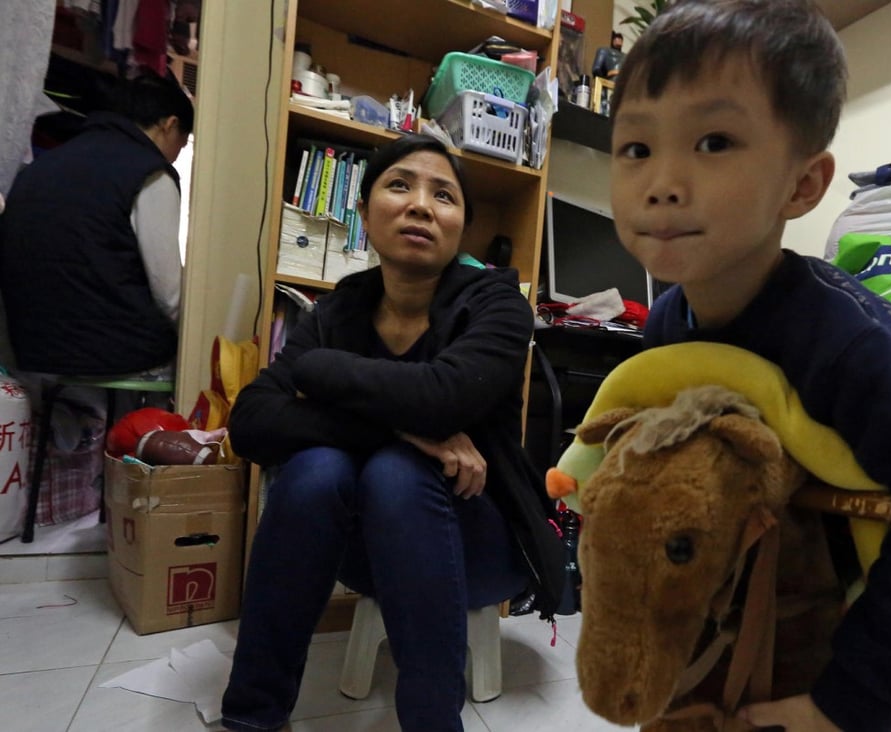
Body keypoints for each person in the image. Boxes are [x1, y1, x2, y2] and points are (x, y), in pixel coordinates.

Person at [607, 1, 891, 730]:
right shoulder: (670, 327)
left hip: (858, 670)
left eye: (714, 141)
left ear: (803, 185)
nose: (663, 182)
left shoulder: (856, 346)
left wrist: (846, 705)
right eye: (636, 148)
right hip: (744, 636)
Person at [221, 135, 565, 732]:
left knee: (395, 473)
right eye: (400, 185)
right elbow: (249, 422)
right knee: (317, 470)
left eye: (444, 195)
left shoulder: (497, 304)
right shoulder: (337, 312)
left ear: (462, 227)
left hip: (484, 546)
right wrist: (402, 431)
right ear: (363, 211)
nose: (421, 206)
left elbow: (443, 398)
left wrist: (319, 371)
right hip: (361, 549)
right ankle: (254, 716)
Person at [0, 71, 191, 378]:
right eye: (180, 146)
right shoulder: (150, 173)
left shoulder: (42, 166)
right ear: (169, 125)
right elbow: (170, 296)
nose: (174, 158)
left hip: (29, 351)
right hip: (111, 357)